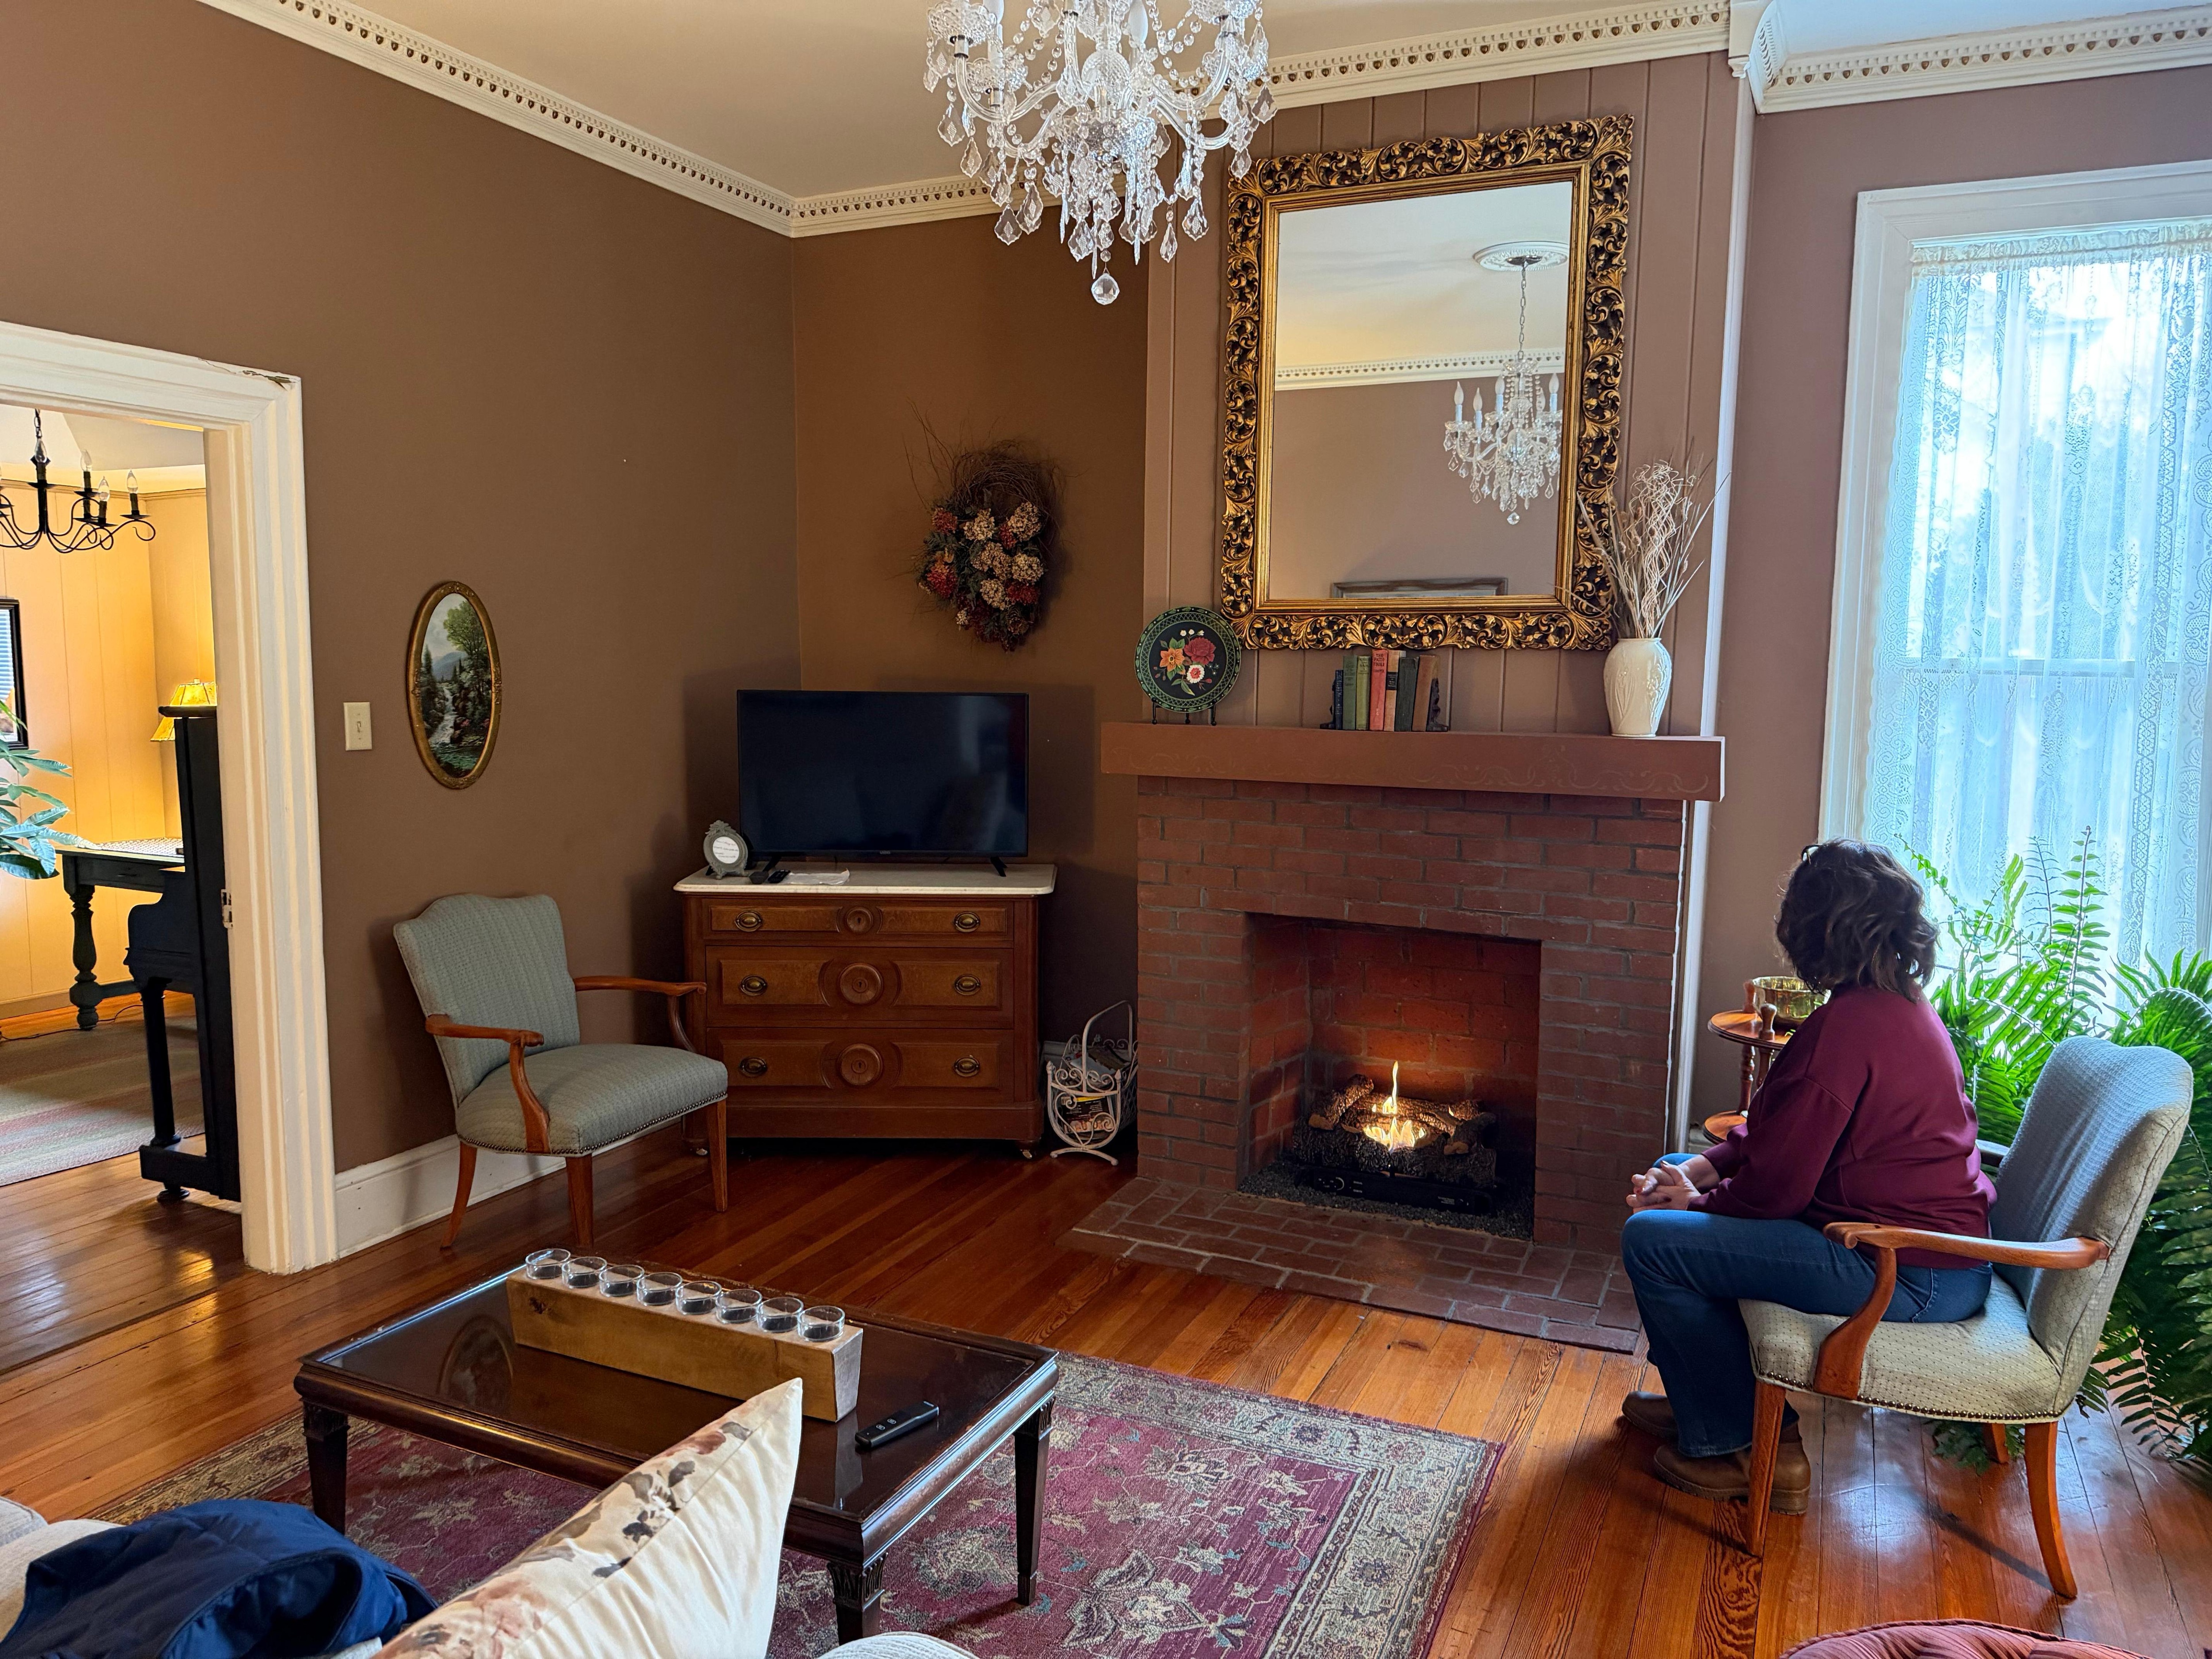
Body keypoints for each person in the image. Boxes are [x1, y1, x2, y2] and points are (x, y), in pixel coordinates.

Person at [1619, 839, 1995, 1509]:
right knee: (1674, 1169)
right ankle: (1707, 1400)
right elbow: (1781, 1129)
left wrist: (1692, 1205)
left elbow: (1776, 1191)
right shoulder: (1894, 1004)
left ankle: (1746, 1447)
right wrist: (1698, 1171)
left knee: (1652, 1240)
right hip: (1919, 1255)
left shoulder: (1846, 1028)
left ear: (1817, 929)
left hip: (1905, 1269)